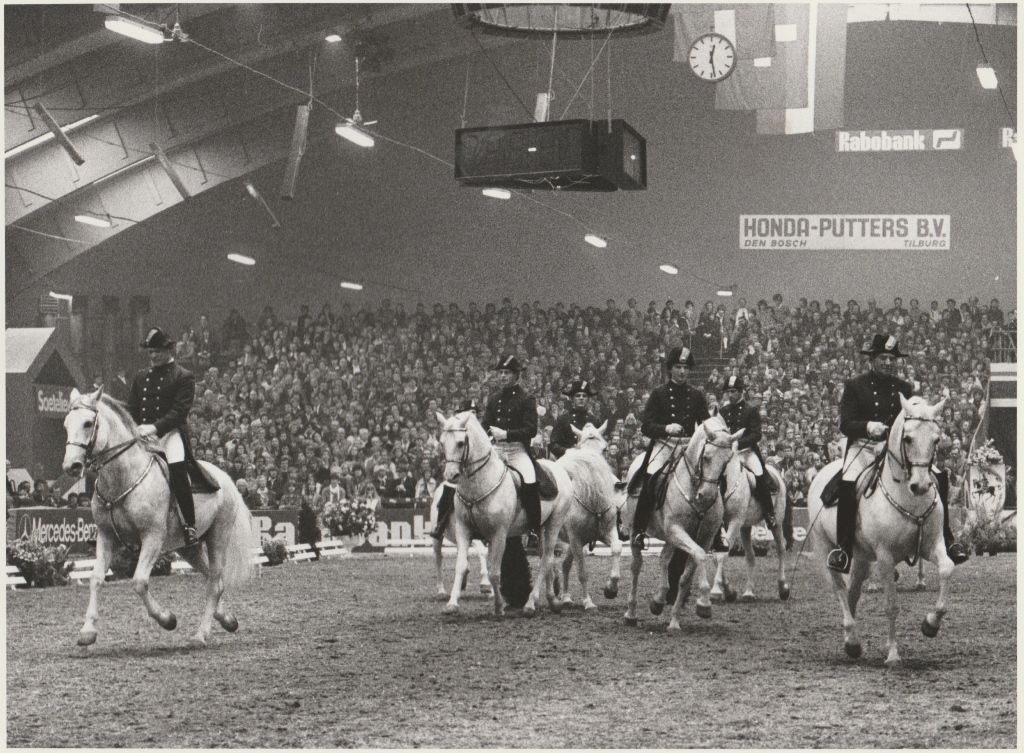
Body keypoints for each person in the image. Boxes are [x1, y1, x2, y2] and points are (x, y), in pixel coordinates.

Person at [828, 334, 969, 573]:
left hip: (895, 448)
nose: (888, 362)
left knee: (939, 476)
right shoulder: (855, 386)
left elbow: (913, 422)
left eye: (892, 359)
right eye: (883, 357)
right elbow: (845, 424)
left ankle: (948, 539)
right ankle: (843, 549)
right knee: (848, 481)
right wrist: (868, 426)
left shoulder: (904, 388)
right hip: (862, 446)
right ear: (872, 359)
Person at [630, 346, 728, 552]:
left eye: (685, 368)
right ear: (670, 369)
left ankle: (718, 529)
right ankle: (639, 529)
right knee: (651, 477)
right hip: (664, 446)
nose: (682, 371)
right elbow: (646, 426)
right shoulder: (658, 394)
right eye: (678, 367)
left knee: (715, 477)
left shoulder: (696, 395)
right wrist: (666, 428)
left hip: (689, 447)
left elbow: (706, 424)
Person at [127, 326, 214, 546]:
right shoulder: (140, 377)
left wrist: (154, 428)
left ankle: (189, 524)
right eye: (150, 352)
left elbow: (179, 412)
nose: (153, 356)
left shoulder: (184, 376)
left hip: (170, 434)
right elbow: (132, 409)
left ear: (168, 351)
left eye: (157, 351)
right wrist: (134, 429)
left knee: (177, 470)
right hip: (143, 435)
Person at [481, 355, 543, 547]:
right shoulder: (494, 399)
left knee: (530, 480)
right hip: (496, 450)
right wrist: (489, 436)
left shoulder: (527, 398)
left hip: (517, 450)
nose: (502, 376)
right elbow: (485, 425)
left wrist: (507, 434)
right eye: (500, 372)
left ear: (516, 375)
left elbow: (531, 430)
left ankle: (534, 529)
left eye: (506, 373)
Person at [718, 375, 777, 529]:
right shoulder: (723, 411)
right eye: (728, 392)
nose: (730, 395)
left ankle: (769, 512)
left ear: (741, 392)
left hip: (746, 451)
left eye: (733, 391)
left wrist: (739, 443)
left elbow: (756, 434)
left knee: (759, 475)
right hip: (728, 453)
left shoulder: (750, 410)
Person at [430, 397, 480, 540]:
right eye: (470, 412)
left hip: (480, 474)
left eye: (474, 413)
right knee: (448, 488)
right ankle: (440, 524)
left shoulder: (482, 429)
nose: (473, 416)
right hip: (461, 472)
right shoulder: (456, 430)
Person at [548, 380, 602, 459]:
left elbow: (600, 445)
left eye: (584, 396)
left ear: (588, 399)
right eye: (578, 396)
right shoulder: (563, 419)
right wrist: (567, 451)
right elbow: (553, 445)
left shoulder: (594, 420)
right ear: (572, 398)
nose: (581, 398)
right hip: (568, 460)